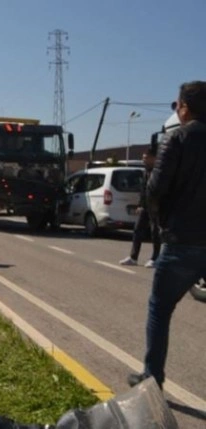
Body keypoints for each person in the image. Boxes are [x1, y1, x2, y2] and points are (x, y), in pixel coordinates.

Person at [128, 81, 206, 390]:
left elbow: (155, 190)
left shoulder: (177, 140)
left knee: (160, 309)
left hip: (181, 240)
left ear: (184, 108)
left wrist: (161, 224)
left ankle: (152, 378)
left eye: (177, 105)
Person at [119, 148, 161, 268]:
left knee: (155, 232)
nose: (144, 160)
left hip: (156, 206)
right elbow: (144, 190)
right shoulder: (146, 172)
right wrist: (141, 205)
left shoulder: (159, 171)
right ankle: (133, 257)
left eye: (146, 158)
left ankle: (155, 258)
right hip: (146, 206)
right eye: (143, 158)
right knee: (138, 230)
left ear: (154, 158)